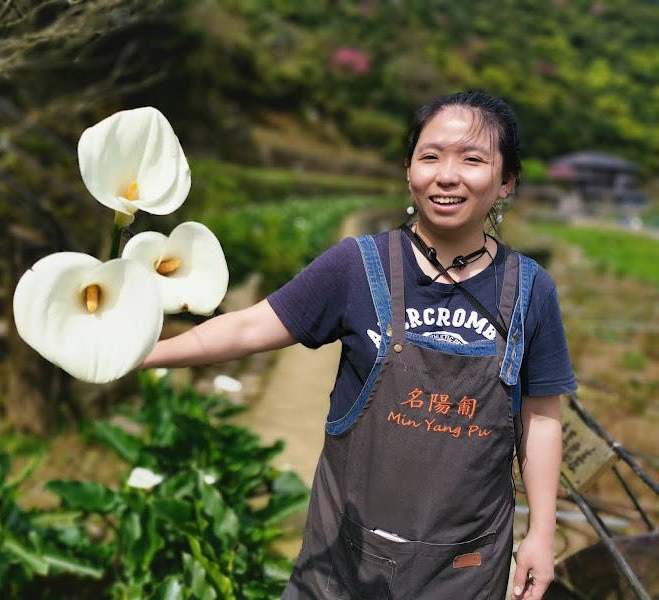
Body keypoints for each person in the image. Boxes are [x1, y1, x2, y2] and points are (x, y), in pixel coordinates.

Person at [140, 90, 576, 600]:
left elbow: (542, 414)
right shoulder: (355, 266)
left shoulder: (531, 289)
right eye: (430, 156)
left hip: (466, 566)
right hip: (344, 559)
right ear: (408, 170)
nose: (447, 175)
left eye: (473, 160)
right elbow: (247, 328)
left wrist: (541, 534)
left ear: (506, 183)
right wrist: (139, 352)